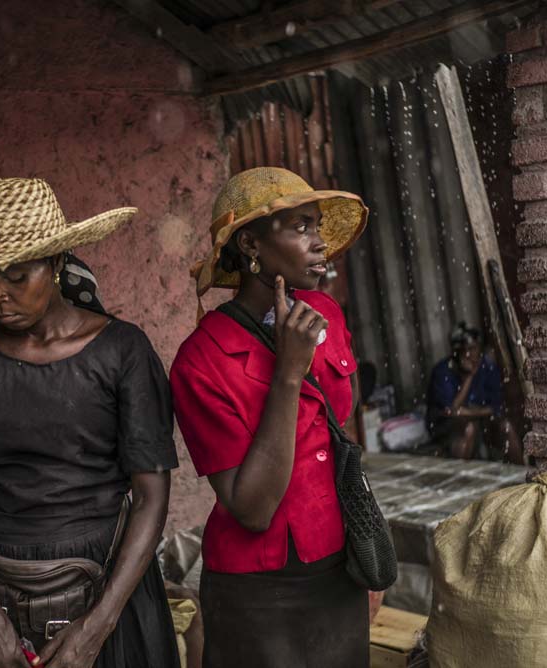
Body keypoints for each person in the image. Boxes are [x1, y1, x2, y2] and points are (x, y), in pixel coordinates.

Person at [0, 177, 180, 668]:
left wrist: (98, 625)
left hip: (108, 579)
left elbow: (151, 497)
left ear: (54, 265)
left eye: (15, 276)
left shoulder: (123, 352)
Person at [170, 167, 372, 667]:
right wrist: (287, 372)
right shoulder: (202, 359)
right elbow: (252, 508)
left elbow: (341, 427)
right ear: (251, 244)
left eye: (317, 225)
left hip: (337, 566)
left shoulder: (326, 312)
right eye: (300, 227)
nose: (320, 242)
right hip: (257, 590)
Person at [426, 322, 523, 463]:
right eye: (467, 350)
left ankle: (521, 473)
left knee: (506, 427)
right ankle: (460, 475)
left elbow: (496, 406)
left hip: (481, 419)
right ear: (456, 352)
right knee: (468, 428)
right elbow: (451, 411)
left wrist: (469, 412)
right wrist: (469, 377)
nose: (471, 354)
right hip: (448, 426)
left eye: (474, 348)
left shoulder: (486, 367)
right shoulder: (442, 372)